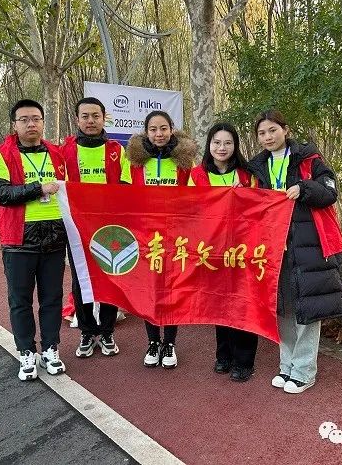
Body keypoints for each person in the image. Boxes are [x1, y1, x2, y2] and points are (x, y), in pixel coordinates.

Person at [247, 110, 342, 394]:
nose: (268, 137)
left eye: (272, 130)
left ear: (285, 129)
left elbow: (329, 192)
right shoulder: (257, 167)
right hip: (273, 246)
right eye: (262, 133)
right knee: (283, 306)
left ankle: (304, 371)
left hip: (308, 244)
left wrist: (304, 188)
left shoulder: (308, 159)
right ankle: (286, 365)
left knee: (308, 308)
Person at [0, 99, 68, 381]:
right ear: (15, 124)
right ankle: (26, 352)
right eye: (24, 120)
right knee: (20, 300)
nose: (31, 124)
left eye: (36, 119)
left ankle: (51, 349)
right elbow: (0, 193)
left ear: (43, 122)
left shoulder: (57, 154)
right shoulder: (2, 154)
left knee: (52, 298)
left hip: (55, 235)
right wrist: (38, 188)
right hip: (18, 238)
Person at [126, 110, 197, 368]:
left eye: (163, 128)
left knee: (172, 291)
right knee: (149, 291)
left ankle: (170, 344)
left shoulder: (185, 162)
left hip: (175, 237)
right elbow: (123, 197)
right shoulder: (134, 162)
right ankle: (153, 342)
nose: (159, 134)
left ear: (171, 129)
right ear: (146, 132)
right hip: (145, 237)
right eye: (153, 129)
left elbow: (195, 198)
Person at [62, 97, 131, 359]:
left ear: (104, 118)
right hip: (77, 228)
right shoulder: (65, 151)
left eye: (96, 116)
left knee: (111, 277)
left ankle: (107, 331)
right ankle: (87, 332)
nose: (90, 121)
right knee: (81, 279)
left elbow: (126, 186)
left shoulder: (117, 150)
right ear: (77, 119)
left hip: (109, 227)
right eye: (85, 116)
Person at [189, 122, 258, 382]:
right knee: (219, 303)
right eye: (217, 142)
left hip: (241, 249)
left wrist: (244, 197)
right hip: (212, 250)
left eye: (228, 143)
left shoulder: (247, 175)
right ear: (209, 144)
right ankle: (223, 356)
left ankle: (244, 361)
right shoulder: (197, 175)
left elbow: (259, 209)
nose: (222, 148)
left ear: (235, 146)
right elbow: (191, 211)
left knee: (242, 304)